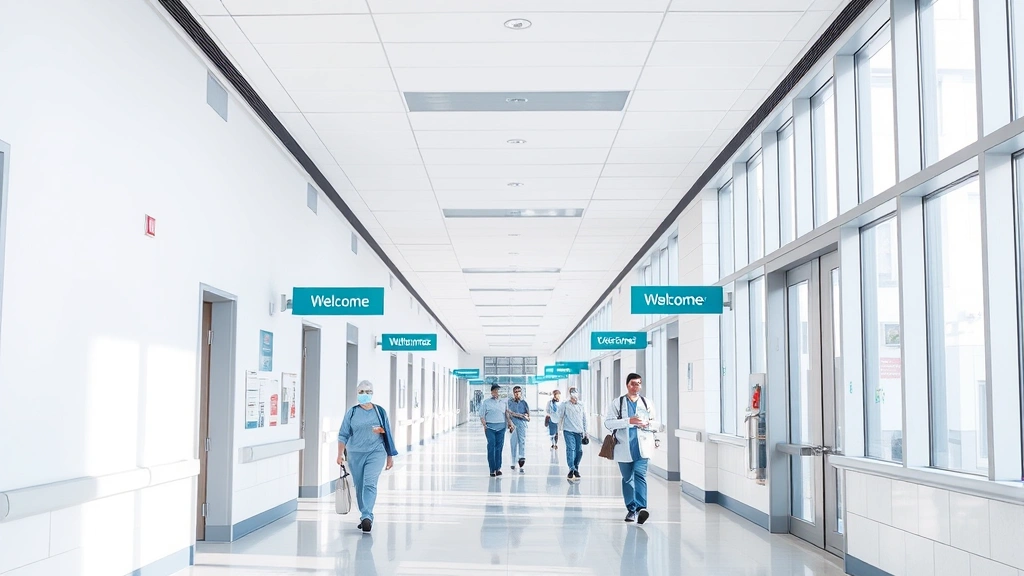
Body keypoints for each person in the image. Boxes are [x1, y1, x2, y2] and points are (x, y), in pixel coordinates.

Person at [336, 380, 398, 533]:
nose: (365, 395)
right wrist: (339, 454)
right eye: (361, 392)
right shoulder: (352, 412)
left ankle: (367, 516)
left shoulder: (379, 411)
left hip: (376, 452)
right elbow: (343, 434)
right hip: (355, 454)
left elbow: (387, 433)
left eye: (368, 392)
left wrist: (390, 455)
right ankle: (365, 515)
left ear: (372, 393)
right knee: (359, 486)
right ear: (357, 393)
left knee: (370, 483)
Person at [604, 373, 656, 524]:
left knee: (640, 475)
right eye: (633, 383)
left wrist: (648, 424)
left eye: (639, 383)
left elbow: (656, 424)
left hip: (643, 447)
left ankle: (641, 509)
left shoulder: (647, 403)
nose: (636, 386)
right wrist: (628, 421)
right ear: (627, 385)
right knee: (628, 479)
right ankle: (631, 509)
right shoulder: (618, 403)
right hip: (623, 447)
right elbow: (608, 423)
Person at [480, 384, 514, 477]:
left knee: (499, 448)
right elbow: (482, 415)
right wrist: (484, 425)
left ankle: (498, 468)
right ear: (491, 392)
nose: (496, 393)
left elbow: (506, 413)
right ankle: (492, 469)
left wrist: (510, 424)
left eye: (498, 391)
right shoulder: (486, 402)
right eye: (494, 391)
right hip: (490, 428)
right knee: (491, 447)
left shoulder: (503, 402)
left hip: (501, 428)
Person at [557, 386, 588, 481]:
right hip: (568, 431)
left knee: (579, 451)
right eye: (572, 392)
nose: (574, 394)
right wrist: (558, 431)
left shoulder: (581, 405)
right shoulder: (565, 404)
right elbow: (560, 417)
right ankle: (571, 468)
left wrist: (586, 431)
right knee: (571, 449)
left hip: (579, 432)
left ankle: (576, 467)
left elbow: (584, 418)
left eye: (575, 392)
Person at [506, 386, 530, 472]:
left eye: (518, 391)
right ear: (513, 393)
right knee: (513, 443)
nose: (517, 393)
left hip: (522, 425)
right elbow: (507, 414)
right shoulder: (509, 402)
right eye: (515, 391)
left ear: (521, 392)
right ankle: (513, 461)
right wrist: (509, 423)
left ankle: (521, 458)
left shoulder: (524, 403)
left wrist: (516, 414)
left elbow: (528, 417)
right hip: (513, 425)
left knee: (522, 441)